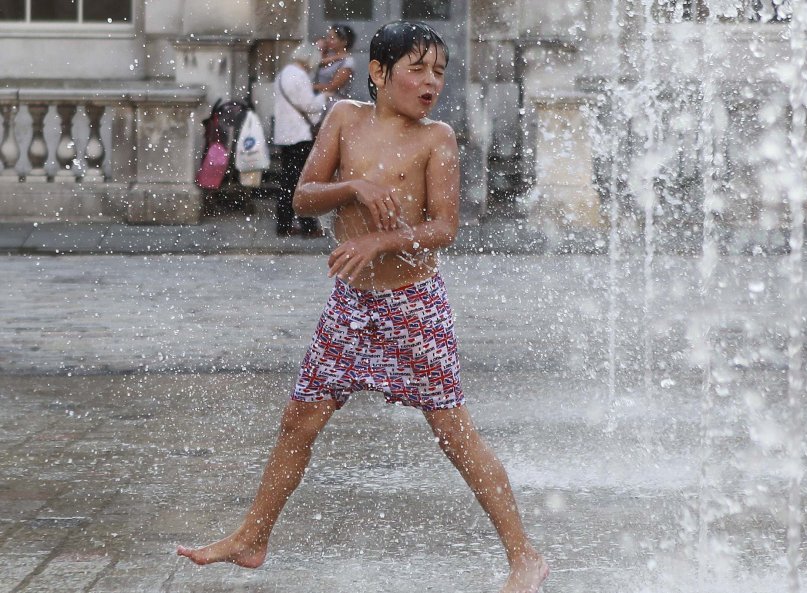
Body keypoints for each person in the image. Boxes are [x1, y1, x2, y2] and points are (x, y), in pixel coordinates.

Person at [176, 21, 549, 593]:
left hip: (412, 305)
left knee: (453, 431)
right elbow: (302, 195)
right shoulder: (345, 119)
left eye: (439, 72)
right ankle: (252, 538)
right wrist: (355, 189)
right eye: (417, 69)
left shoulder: (437, 139)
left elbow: (444, 227)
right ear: (378, 72)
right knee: (299, 420)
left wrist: (380, 240)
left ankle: (524, 556)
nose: (431, 83)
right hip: (352, 305)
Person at [273, 43, 326, 238]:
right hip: (299, 134)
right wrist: (324, 97)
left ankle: (284, 224)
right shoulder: (299, 76)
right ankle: (308, 225)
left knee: (288, 181)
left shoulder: (284, 73)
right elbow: (310, 105)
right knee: (300, 182)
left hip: (285, 134)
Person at [313, 24, 356, 106]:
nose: (328, 41)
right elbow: (313, 63)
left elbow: (332, 87)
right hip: (319, 102)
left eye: (332, 38)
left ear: (344, 42)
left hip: (334, 104)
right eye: (327, 37)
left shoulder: (348, 62)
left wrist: (311, 87)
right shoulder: (327, 55)